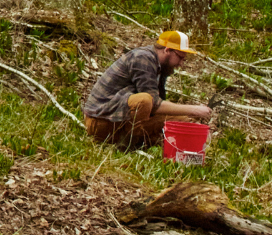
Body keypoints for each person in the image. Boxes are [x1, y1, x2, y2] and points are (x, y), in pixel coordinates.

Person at [83, 29, 215, 150]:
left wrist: (187, 116)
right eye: (180, 57)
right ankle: (127, 146)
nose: (181, 63)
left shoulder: (161, 67)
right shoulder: (142, 58)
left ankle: (148, 142)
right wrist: (194, 110)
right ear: (167, 50)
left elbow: (158, 107)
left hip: (120, 119)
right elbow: (154, 105)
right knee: (145, 101)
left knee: (183, 121)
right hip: (100, 121)